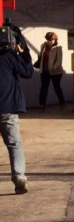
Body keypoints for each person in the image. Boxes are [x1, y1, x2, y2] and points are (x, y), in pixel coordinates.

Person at [0, 22, 34, 194]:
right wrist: (24, 50)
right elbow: (28, 71)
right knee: (14, 144)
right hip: (7, 109)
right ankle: (19, 176)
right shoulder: (10, 57)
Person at [36, 31, 65, 110]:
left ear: (55, 40)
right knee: (44, 88)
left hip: (55, 72)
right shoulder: (43, 46)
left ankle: (62, 102)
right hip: (44, 70)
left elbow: (59, 60)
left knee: (57, 87)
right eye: (48, 39)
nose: (50, 41)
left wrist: (53, 68)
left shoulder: (58, 47)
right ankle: (42, 104)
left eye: (52, 40)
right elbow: (41, 57)